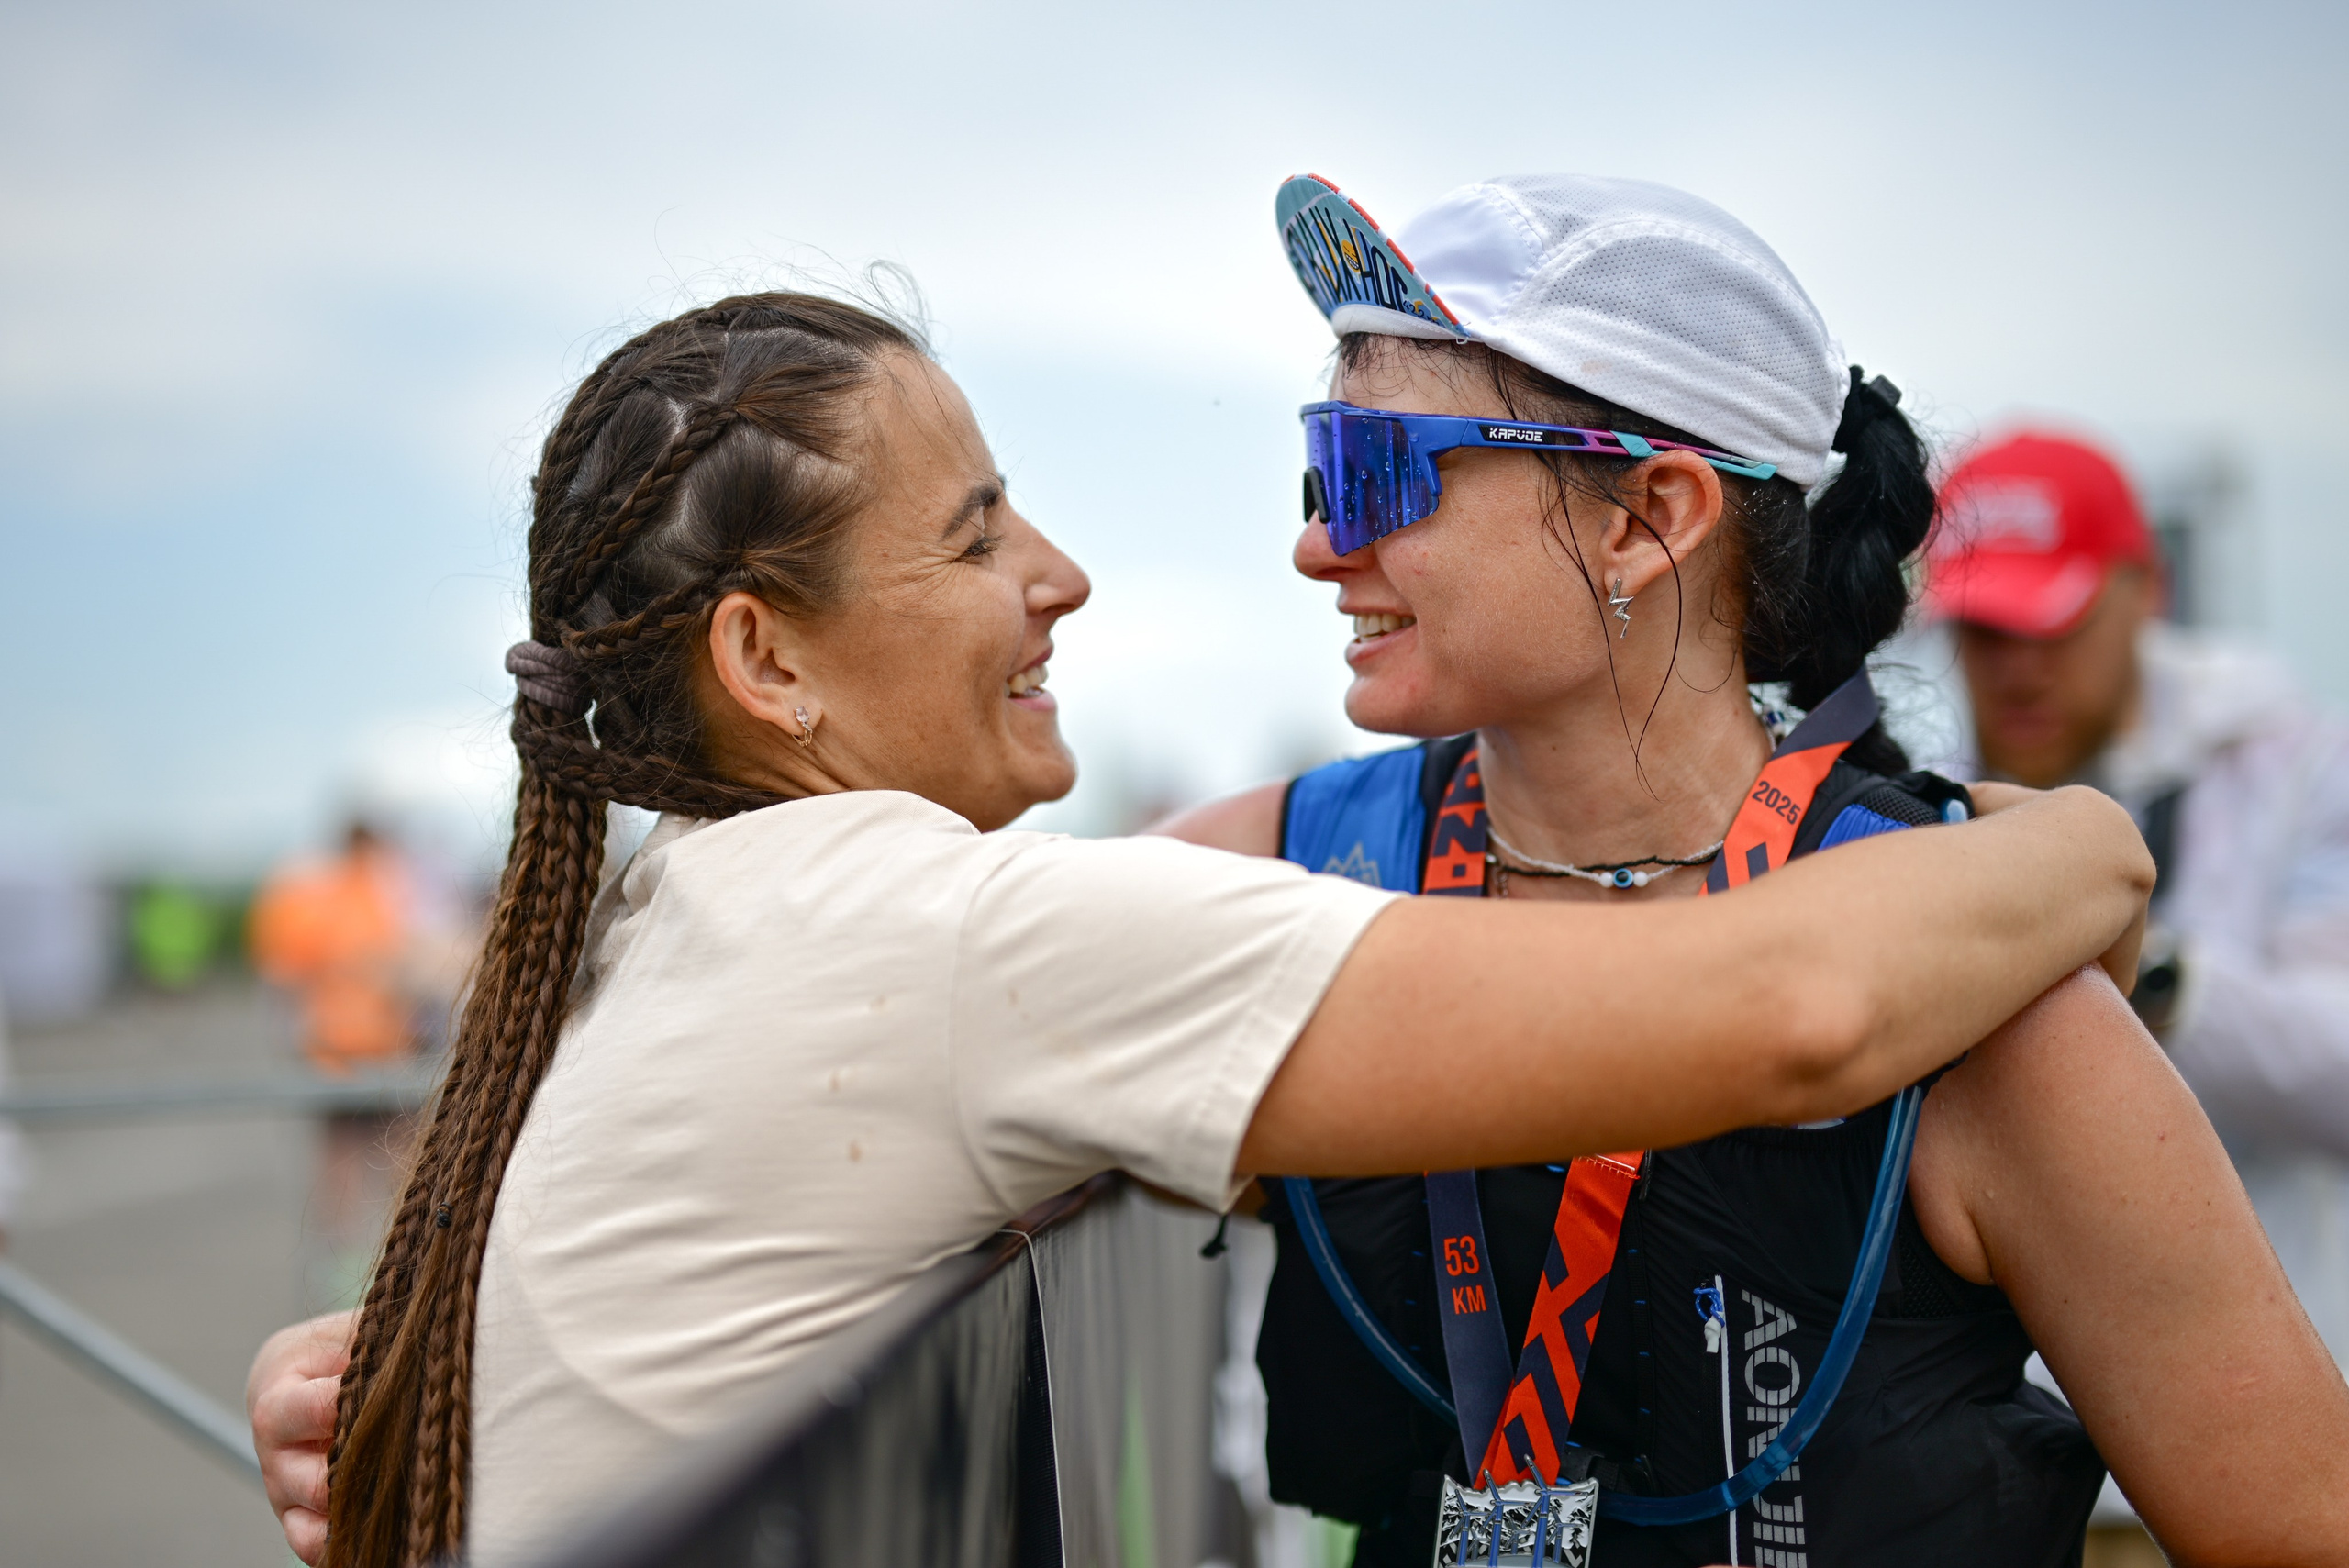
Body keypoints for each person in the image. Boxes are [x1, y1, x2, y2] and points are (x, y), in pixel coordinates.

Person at [242, 291, 2152, 1568]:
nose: (1061, 573)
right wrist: (2082, 847)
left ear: (1658, 521)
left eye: (1382, 475)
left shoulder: (691, 905)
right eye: (976, 530)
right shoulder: (958, 936)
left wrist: (414, 1351)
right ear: (767, 661)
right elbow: (1800, 1001)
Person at [1158, 173, 2349, 1566]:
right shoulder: (1283, 873)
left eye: (1379, 473)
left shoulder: (1999, 1010)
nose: (1318, 543)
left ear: (1648, 515)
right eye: (1322, 466)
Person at [1927, 432, 2349, 1361]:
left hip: (2273, 1413)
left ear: (2144, 589)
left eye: (2052, 622)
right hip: (2016, 1437)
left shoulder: (2301, 770)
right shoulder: (1921, 808)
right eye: (1983, 628)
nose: (2017, 667)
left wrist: (2140, 964)